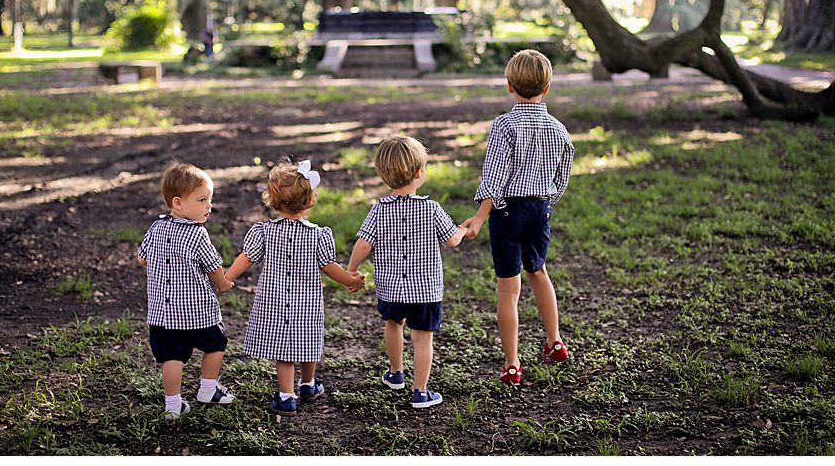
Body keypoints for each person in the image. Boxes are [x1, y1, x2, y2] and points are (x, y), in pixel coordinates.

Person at [457, 49, 575, 385]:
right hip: (540, 208)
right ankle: (555, 342)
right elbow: (563, 173)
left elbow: (493, 175)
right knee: (538, 272)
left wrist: (480, 216)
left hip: (507, 210)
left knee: (509, 290)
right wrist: (547, 201)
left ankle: (512, 363)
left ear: (510, 86)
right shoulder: (558, 128)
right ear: (547, 87)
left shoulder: (505, 125)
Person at [222, 160, 361, 412]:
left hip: (274, 301)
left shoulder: (263, 232)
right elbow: (329, 267)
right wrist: (350, 279)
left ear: (273, 201)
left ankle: (287, 397)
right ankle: (308, 384)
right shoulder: (319, 234)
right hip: (306, 302)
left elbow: (246, 257)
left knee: (284, 350)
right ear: (309, 201)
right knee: (307, 342)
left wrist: (226, 279)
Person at [344, 133, 468, 411]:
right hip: (425, 291)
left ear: (382, 174)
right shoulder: (431, 208)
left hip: (391, 289)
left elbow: (363, 244)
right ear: (419, 172)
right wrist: (463, 229)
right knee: (423, 338)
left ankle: (396, 373)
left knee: (393, 324)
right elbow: (451, 240)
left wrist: (351, 271)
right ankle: (420, 392)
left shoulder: (378, 211)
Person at [137, 162, 238, 419]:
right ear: (178, 203)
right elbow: (213, 266)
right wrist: (224, 284)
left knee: (172, 358)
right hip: (197, 313)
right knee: (216, 345)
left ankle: (173, 405)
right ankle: (207, 388)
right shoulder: (197, 235)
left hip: (162, 314)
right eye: (202, 199)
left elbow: (142, 258)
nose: (209, 205)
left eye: (210, 199)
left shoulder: (156, 227)